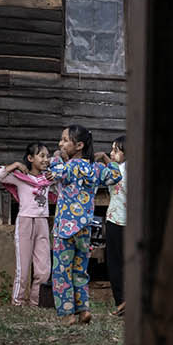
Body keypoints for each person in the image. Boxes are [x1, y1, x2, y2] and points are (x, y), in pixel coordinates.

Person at [47, 125, 121, 325]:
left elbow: (56, 172)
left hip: (65, 229)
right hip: (85, 228)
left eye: (64, 140)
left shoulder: (70, 166)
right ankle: (84, 310)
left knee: (62, 271)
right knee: (80, 271)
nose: (60, 144)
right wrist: (106, 159)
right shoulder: (95, 168)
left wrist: (56, 156)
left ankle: (67, 314)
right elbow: (115, 176)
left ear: (79, 145)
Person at [0, 143, 55, 307]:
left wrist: (56, 176)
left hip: (42, 222)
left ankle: (35, 302)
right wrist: (16, 165)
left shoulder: (48, 178)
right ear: (30, 158)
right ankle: (18, 302)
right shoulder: (20, 177)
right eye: (41, 155)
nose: (46, 159)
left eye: (47, 156)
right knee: (23, 267)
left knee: (44, 269)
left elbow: (61, 191)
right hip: (25, 222)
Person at [103, 139, 127, 316]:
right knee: (120, 264)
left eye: (116, 150)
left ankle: (125, 301)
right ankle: (124, 302)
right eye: (112, 150)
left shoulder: (121, 170)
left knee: (119, 263)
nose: (112, 154)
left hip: (123, 222)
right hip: (119, 221)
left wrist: (106, 162)